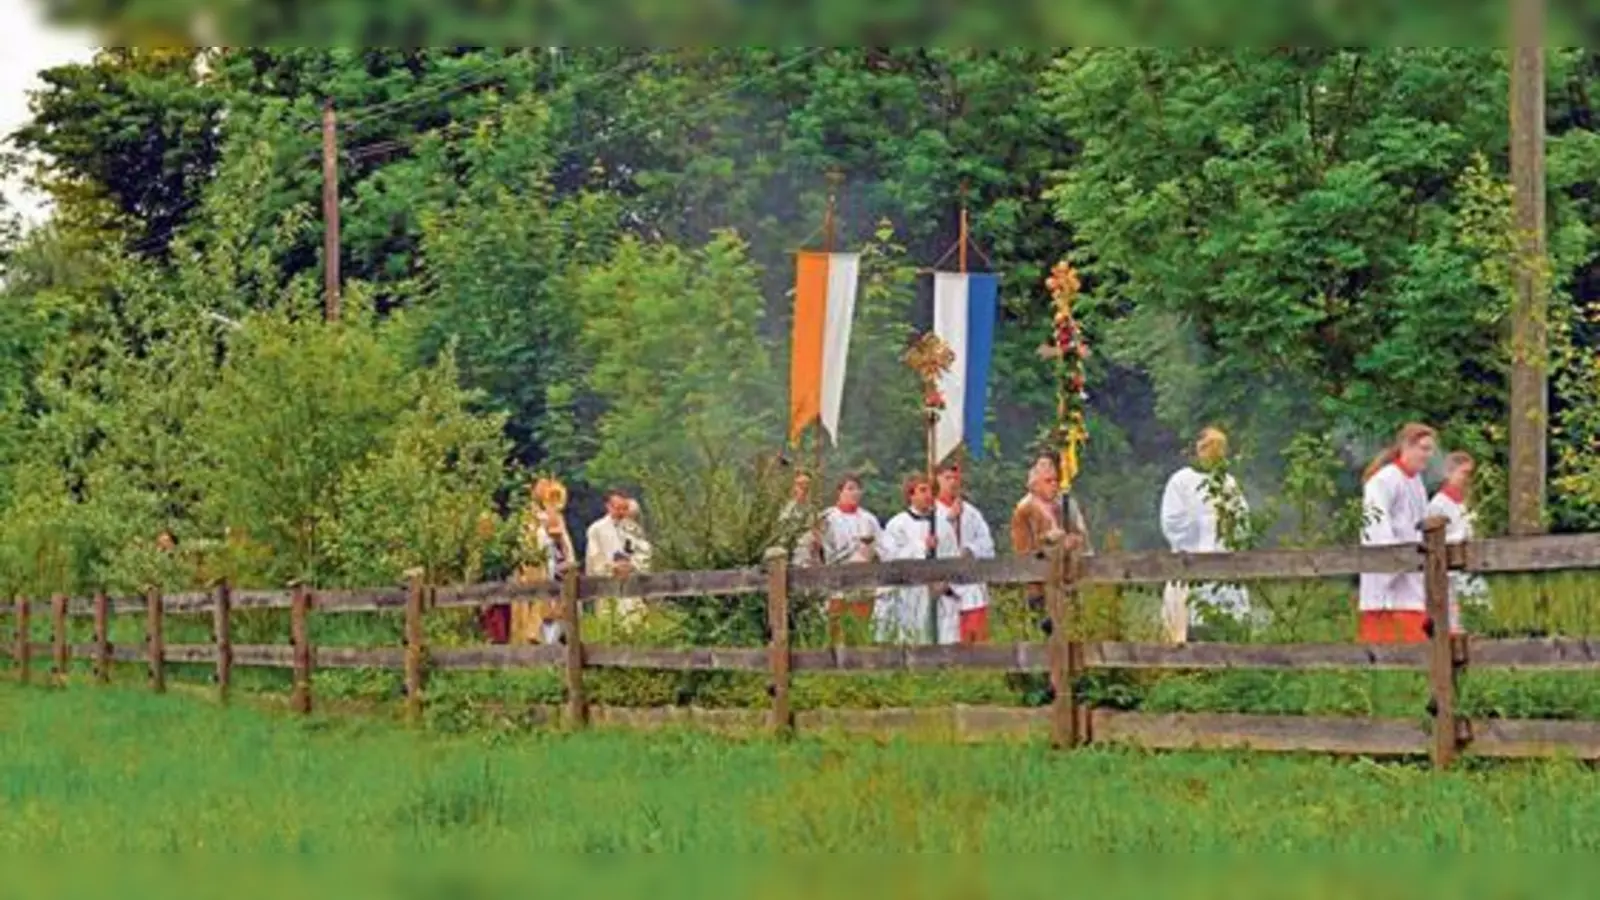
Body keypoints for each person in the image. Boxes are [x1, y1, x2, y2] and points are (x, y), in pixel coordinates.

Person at [1158, 427, 1252, 643]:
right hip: (1189, 564)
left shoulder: (1228, 483)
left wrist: (1226, 524)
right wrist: (1204, 521)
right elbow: (1171, 522)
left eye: (1219, 450)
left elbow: (1242, 522)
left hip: (1224, 568)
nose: (1214, 454)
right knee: (1187, 626)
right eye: (1209, 449)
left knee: (1226, 626)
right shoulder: (1181, 481)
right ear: (1198, 451)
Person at [1358, 422, 1438, 644]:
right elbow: (1375, 526)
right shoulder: (1384, 480)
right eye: (1423, 448)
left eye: (1430, 449)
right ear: (1406, 446)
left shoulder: (1416, 482)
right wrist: (1393, 563)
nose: (1428, 455)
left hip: (1413, 574)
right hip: (1388, 584)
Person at [873, 474, 961, 645]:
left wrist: (945, 581)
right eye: (922, 490)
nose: (928, 495)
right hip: (909, 592)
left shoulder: (943, 524)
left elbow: (953, 556)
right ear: (910, 494)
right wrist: (922, 547)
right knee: (911, 636)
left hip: (937, 591)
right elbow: (890, 558)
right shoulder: (897, 524)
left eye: (930, 490)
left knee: (942, 635)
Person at [1010, 453, 1091, 630]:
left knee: (1072, 632)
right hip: (1039, 587)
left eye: (1055, 480)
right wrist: (1047, 541)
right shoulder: (1024, 511)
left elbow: (1079, 535)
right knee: (1043, 637)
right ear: (1035, 484)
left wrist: (1073, 540)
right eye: (1048, 481)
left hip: (1064, 582)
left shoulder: (1060, 506)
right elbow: (1022, 550)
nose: (1054, 485)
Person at [934, 460, 997, 644]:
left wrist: (970, 550)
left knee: (974, 634)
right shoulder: (932, 513)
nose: (952, 482)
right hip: (943, 585)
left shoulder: (972, 513)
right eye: (947, 478)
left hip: (970, 583)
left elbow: (987, 544)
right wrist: (949, 521)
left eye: (955, 478)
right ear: (938, 479)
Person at [510, 478, 575, 645]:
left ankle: (557, 640)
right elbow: (525, 542)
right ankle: (533, 638)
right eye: (540, 488)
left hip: (555, 563)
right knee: (538, 603)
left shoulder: (557, 516)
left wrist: (567, 556)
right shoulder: (527, 516)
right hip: (536, 565)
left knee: (558, 604)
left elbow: (564, 541)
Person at [1426, 451, 1486, 635]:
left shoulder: (1467, 502)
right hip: (1448, 569)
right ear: (1449, 473)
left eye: (1470, 474)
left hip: (1470, 566)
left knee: (1478, 611)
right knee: (1452, 619)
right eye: (1464, 473)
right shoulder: (1438, 504)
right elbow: (1432, 540)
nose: (1468, 479)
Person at [818, 474, 882, 643]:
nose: (854, 493)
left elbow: (882, 546)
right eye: (850, 488)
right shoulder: (828, 517)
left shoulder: (869, 519)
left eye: (857, 489)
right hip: (837, 578)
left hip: (863, 579)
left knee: (860, 625)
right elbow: (821, 548)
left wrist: (871, 553)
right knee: (836, 625)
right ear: (839, 492)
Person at [586, 489, 650, 623]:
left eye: (624, 508)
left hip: (631, 585)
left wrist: (632, 565)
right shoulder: (596, 529)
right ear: (608, 506)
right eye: (618, 508)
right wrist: (612, 567)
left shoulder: (634, 529)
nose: (621, 512)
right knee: (610, 625)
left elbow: (644, 554)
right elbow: (594, 557)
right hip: (608, 586)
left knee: (635, 623)